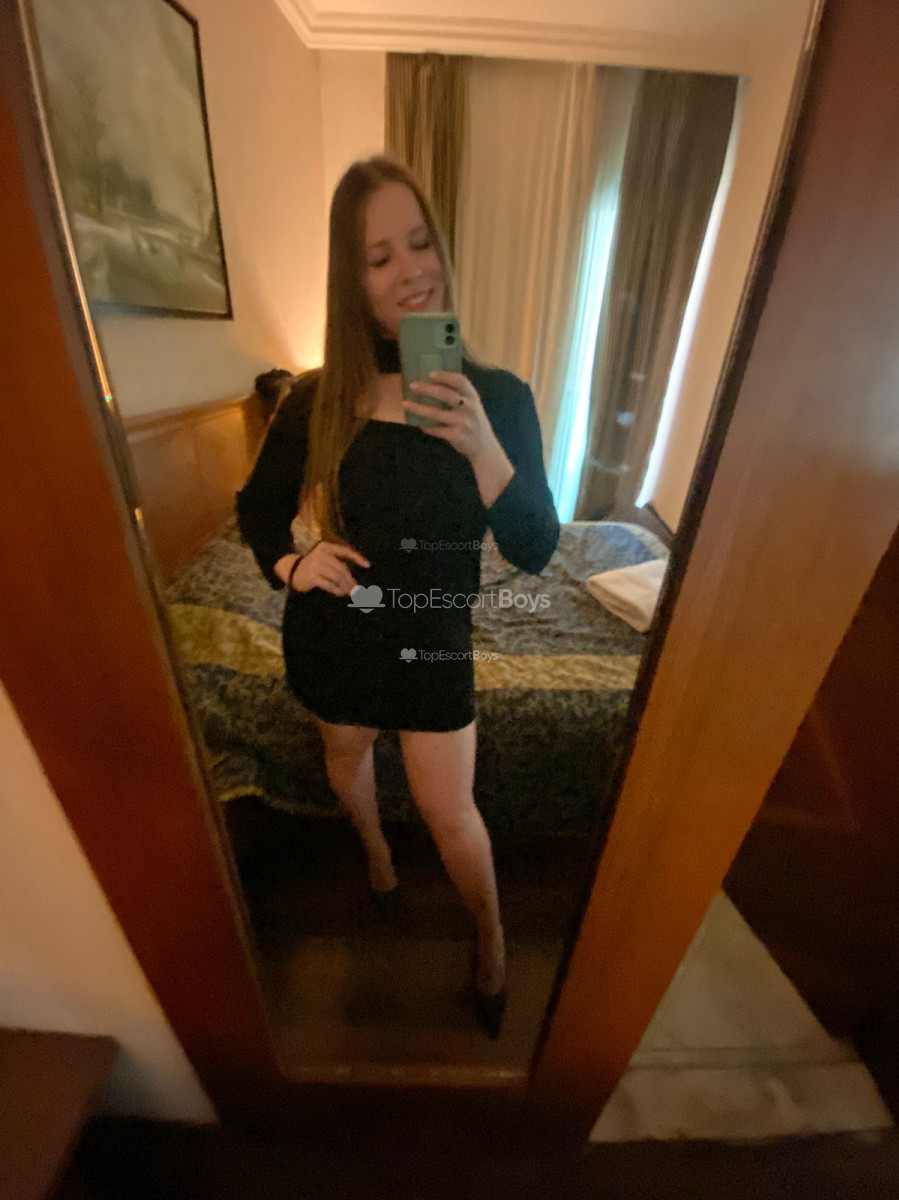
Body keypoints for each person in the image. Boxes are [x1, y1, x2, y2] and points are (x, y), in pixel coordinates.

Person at [236, 156, 559, 1038]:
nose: (412, 269)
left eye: (419, 243)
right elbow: (257, 510)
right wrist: (292, 564)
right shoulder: (316, 401)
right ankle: (377, 861)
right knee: (346, 757)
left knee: (450, 812)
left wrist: (483, 445)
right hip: (336, 632)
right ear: (354, 281)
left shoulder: (500, 398)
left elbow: (534, 548)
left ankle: (489, 935)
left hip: (431, 637)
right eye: (380, 257)